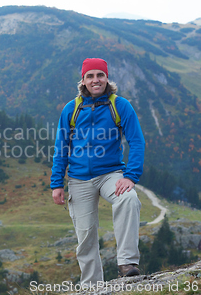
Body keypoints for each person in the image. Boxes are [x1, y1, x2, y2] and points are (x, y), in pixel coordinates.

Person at [50, 58, 145, 285]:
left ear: (107, 78)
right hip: (78, 179)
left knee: (129, 200)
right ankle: (91, 286)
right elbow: (61, 147)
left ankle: (127, 263)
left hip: (110, 174)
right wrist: (56, 183)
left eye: (100, 75)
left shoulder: (120, 105)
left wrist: (130, 176)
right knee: (86, 236)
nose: (96, 80)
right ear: (83, 80)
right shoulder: (71, 109)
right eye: (90, 76)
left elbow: (137, 142)